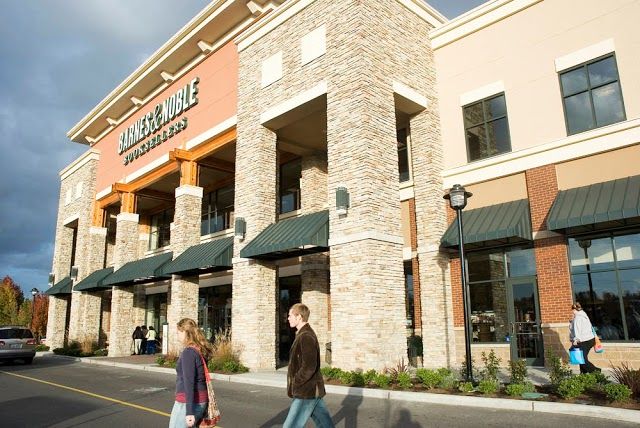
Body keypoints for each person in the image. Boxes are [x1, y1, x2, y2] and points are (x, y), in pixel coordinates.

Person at [283, 303, 334, 428]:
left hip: (305, 391)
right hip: (311, 390)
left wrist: (296, 381)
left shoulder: (306, 336)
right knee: (325, 425)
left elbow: (309, 366)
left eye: (290, 315)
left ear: (299, 317)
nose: (288, 318)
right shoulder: (302, 334)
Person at [169, 318, 213, 428]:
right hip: (201, 399)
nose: (177, 336)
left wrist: (189, 412)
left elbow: (188, 382)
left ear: (185, 332)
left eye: (179, 332)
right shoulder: (199, 349)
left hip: (187, 402)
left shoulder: (188, 353)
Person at [569, 302, 600, 374]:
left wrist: (576, 341)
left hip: (584, 340)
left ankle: (596, 371)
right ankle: (583, 374)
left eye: (572, 310)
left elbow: (578, 331)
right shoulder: (584, 315)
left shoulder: (578, 318)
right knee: (581, 358)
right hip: (590, 339)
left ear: (574, 310)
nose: (572, 312)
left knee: (582, 359)